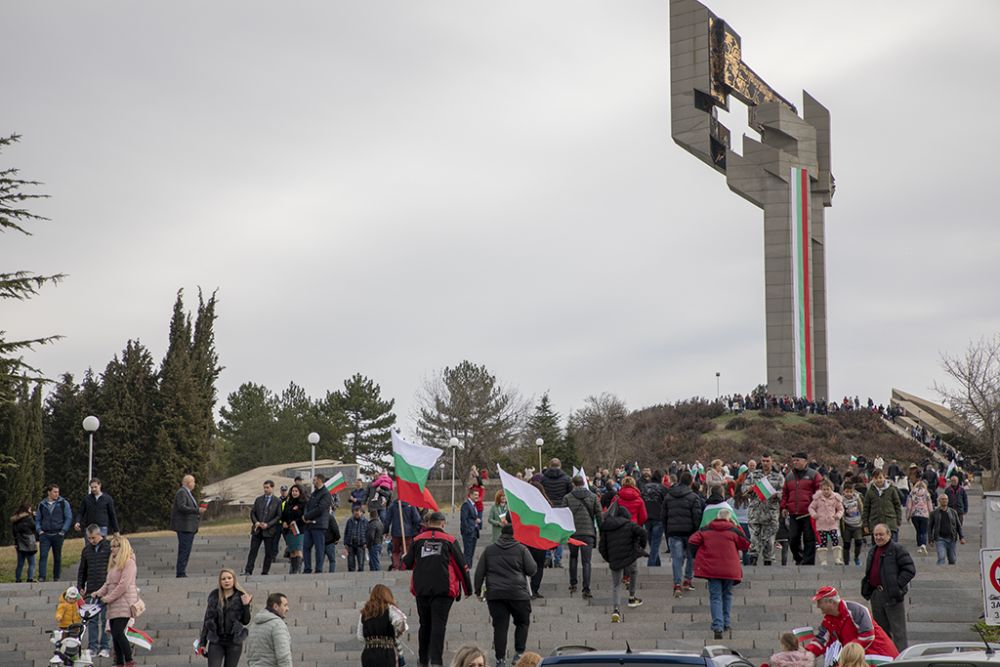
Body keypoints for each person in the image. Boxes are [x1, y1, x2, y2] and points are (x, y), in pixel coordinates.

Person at [403, 511, 473, 667]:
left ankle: (423, 660)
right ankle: (436, 661)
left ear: (429, 523)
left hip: (422, 589)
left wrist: (404, 557)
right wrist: (468, 589)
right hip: (444, 589)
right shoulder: (450, 540)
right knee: (439, 625)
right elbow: (462, 567)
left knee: (425, 624)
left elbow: (406, 563)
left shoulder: (417, 540)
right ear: (443, 523)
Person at [474, 523, 536, 667]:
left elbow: (479, 572)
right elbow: (532, 569)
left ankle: (500, 659)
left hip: (496, 595)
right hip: (518, 594)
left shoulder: (489, 550)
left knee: (500, 627)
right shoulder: (522, 549)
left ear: (502, 533)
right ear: (516, 534)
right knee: (522, 622)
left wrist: (478, 591)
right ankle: (519, 653)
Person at [688, 508, 750, 639]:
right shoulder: (733, 530)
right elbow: (745, 544)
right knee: (727, 595)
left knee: (715, 597)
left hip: (712, 569)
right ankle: (726, 623)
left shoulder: (706, 529)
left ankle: (717, 626)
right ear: (728, 517)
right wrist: (738, 527)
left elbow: (692, 540)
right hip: (730, 569)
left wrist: (699, 552)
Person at [861, 523, 915, 650]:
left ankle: (900, 659)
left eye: (881, 534)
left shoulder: (897, 549)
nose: (878, 537)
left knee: (898, 632)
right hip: (876, 595)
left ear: (889, 535)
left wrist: (896, 586)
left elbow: (909, 570)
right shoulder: (872, 550)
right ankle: (886, 657)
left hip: (892, 596)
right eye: (876, 535)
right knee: (881, 632)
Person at [805, 586, 898, 659]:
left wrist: (847, 652)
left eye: (819, 602)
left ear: (830, 602)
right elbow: (821, 641)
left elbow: (868, 635)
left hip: (879, 655)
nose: (817, 606)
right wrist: (806, 653)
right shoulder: (828, 620)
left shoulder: (856, 610)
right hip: (858, 657)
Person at [92, 535, 139, 667]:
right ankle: (119, 662)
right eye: (111, 546)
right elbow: (108, 584)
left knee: (118, 632)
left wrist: (108, 598)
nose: (111, 549)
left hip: (124, 603)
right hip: (114, 606)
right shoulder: (114, 563)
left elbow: (123, 585)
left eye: (115, 546)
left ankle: (129, 660)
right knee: (115, 634)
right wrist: (98, 593)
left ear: (122, 547)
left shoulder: (129, 563)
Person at [598, 503, 647, 623]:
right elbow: (643, 533)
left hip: (615, 557)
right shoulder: (630, 525)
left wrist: (608, 557)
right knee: (634, 571)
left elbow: (601, 547)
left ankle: (616, 610)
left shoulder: (607, 527)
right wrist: (640, 547)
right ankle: (631, 597)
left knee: (616, 584)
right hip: (630, 555)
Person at [198, 568, 253, 667]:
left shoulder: (242, 596)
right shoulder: (214, 597)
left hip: (234, 641)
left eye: (229, 578)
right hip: (216, 641)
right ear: (220, 581)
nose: (226, 581)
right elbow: (207, 622)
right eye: (223, 579)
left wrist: (246, 606)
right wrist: (202, 644)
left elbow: (246, 621)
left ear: (234, 579)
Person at [663, 471, 703, 596]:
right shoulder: (693, 497)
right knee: (691, 557)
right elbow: (697, 517)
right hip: (690, 532)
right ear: (691, 482)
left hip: (674, 531)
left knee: (676, 558)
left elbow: (664, 516)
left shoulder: (669, 496)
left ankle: (677, 584)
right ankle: (687, 580)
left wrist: (667, 531)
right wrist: (697, 531)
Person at [742, 453, 784, 566]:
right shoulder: (753, 475)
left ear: (772, 461)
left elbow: (784, 492)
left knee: (769, 543)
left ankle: (767, 567)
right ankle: (753, 565)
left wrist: (777, 495)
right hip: (755, 512)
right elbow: (743, 490)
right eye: (763, 461)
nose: (765, 463)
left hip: (770, 513)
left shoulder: (778, 476)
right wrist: (749, 489)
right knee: (754, 541)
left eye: (767, 461)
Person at [77, 524, 112, 660]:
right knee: (91, 620)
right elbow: (82, 570)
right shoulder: (86, 551)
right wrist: (80, 585)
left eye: (93, 538)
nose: (91, 540)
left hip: (106, 589)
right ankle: (92, 647)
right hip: (91, 589)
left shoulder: (108, 547)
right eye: (89, 538)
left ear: (99, 535)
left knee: (104, 619)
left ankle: (104, 646)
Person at [781, 453, 822, 565]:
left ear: (805, 461)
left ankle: (808, 563)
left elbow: (820, 492)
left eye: (797, 460)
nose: (795, 463)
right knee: (793, 539)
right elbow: (785, 493)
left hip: (809, 513)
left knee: (809, 539)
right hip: (794, 513)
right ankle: (799, 559)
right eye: (794, 461)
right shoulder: (789, 476)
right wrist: (784, 507)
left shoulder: (814, 475)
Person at [564, 475, 599, 598]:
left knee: (573, 558)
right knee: (587, 562)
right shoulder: (593, 497)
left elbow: (563, 515)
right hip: (588, 533)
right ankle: (586, 588)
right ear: (584, 483)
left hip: (573, 533)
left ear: (573, 484)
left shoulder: (567, 498)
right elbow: (599, 515)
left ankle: (573, 583)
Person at [358, 584, 408, 667]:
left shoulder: (364, 612)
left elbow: (360, 637)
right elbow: (401, 620)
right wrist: (398, 633)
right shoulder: (390, 609)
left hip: (368, 653)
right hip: (386, 653)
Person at [171, 474, 206, 578]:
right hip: (184, 527)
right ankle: (181, 572)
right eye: (193, 482)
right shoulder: (182, 492)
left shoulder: (187, 493)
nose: (194, 484)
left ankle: (182, 571)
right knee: (184, 549)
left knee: (186, 550)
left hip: (189, 527)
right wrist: (197, 510)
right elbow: (181, 507)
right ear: (188, 483)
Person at [244, 480, 282, 576]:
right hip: (257, 530)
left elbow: (278, 516)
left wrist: (268, 524)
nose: (265, 489)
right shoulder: (259, 500)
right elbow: (253, 512)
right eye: (264, 487)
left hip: (269, 531)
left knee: (268, 552)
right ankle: (248, 570)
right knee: (253, 551)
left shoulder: (277, 501)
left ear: (272, 488)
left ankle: (265, 571)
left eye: (267, 487)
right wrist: (256, 522)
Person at [540, 458, 573, 567]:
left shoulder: (543, 479)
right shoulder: (566, 478)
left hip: (548, 508)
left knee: (548, 533)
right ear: (560, 465)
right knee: (560, 534)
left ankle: (547, 556)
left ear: (550, 465)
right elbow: (570, 493)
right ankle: (558, 559)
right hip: (561, 508)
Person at [36, 483, 73, 582]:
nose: (57, 494)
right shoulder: (42, 504)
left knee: (57, 556)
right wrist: (39, 530)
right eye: (54, 492)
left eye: (58, 492)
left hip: (58, 533)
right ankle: (42, 576)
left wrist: (63, 531)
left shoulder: (63, 503)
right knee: (43, 555)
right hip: (45, 534)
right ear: (49, 492)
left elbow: (68, 517)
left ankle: (56, 576)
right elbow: (38, 519)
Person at [244, 592, 292, 667]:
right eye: (285, 605)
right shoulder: (278, 625)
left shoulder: (254, 624)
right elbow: (283, 656)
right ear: (275, 606)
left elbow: (250, 655)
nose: (287, 609)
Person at [301, 474, 332, 574]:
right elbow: (308, 505)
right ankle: (307, 568)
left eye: (314, 480)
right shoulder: (314, 493)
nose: (313, 482)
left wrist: (307, 516)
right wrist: (305, 516)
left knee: (319, 548)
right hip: (309, 525)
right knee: (306, 547)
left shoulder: (326, 494)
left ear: (319, 480)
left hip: (319, 525)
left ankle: (318, 568)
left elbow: (320, 509)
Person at [809, 480, 844, 565]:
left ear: (831, 489)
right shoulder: (817, 498)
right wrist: (814, 515)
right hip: (821, 524)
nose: (826, 491)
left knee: (835, 540)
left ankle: (837, 559)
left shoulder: (835, 498)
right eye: (824, 489)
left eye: (827, 489)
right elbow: (811, 507)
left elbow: (841, 509)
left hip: (832, 523)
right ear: (821, 489)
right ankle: (823, 560)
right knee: (823, 542)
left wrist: (838, 516)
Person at [862, 471, 902, 543]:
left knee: (892, 547)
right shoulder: (870, 491)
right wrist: (865, 525)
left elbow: (897, 505)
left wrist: (898, 520)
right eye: (876, 478)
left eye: (880, 477)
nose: (878, 480)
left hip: (890, 523)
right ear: (873, 479)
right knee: (877, 549)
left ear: (884, 477)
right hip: (875, 523)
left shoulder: (891, 489)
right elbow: (866, 509)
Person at [929, 493, 966, 565]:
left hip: (951, 538)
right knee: (941, 557)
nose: (944, 501)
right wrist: (930, 539)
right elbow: (930, 527)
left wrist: (961, 537)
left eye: (946, 499)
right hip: (940, 538)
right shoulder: (934, 513)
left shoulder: (953, 512)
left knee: (952, 559)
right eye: (942, 499)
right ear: (939, 501)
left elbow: (958, 525)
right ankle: (940, 573)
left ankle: (951, 573)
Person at [386, 498, 422, 570]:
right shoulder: (411, 505)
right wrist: (414, 530)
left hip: (395, 532)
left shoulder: (392, 505)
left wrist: (385, 531)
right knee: (407, 550)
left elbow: (387, 520)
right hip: (408, 533)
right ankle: (404, 566)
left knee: (395, 551)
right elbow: (417, 519)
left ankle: (396, 566)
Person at [641, 470, 667, 566]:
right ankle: (651, 563)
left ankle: (657, 562)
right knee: (655, 542)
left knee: (652, 542)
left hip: (647, 517)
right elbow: (666, 502)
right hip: (658, 517)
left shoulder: (644, 488)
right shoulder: (662, 488)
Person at [280, 484, 306, 574]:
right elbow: (283, 515)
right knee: (292, 551)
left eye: (296, 491)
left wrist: (296, 521)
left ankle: (297, 570)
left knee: (298, 550)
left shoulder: (303, 503)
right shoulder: (288, 503)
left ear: (300, 492)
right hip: (289, 531)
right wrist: (284, 522)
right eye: (293, 491)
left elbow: (304, 516)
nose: (294, 493)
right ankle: (292, 569)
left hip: (299, 530)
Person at [11, 502, 38, 583]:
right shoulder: (29, 518)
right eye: (30, 508)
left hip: (19, 542)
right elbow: (35, 527)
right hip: (29, 542)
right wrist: (34, 517)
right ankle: (30, 578)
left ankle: (18, 579)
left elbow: (14, 531)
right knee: (32, 562)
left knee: (20, 563)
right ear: (27, 509)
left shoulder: (15, 520)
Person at [905, 479, 932, 555]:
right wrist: (932, 514)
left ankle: (919, 544)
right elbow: (929, 505)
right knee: (924, 531)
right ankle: (923, 544)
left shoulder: (912, 493)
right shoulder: (927, 493)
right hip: (924, 514)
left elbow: (909, 506)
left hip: (914, 514)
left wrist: (908, 516)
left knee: (918, 530)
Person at [840, 485, 865, 567]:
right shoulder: (841, 501)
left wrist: (863, 521)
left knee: (858, 541)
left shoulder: (857, 499)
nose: (849, 494)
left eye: (851, 492)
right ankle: (846, 561)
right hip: (847, 525)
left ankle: (856, 557)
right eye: (847, 492)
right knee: (846, 544)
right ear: (843, 492)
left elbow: (861, 509)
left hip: (857, 524)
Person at [344, 505, 370, 572]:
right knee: (350, 563)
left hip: (361, 544)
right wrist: (345, 543)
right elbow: (346, 532)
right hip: (350, 544)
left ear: (361, 513)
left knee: (361, 563)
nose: (356, 515)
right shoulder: (349, 521)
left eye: (358, 514)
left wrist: (366, 543)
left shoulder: (365, 521)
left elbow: (368, 533)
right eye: (355, 514)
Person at [461, 488, 482, 565]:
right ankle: (466, 568)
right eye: (475, 495)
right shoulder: (466, 505)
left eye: (478, 495)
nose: (477, 496)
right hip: (469, 532)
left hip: (474, 532)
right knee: (468, 552)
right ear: (470, 495)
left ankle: (469, 566)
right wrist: (468, 530)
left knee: (471, 552)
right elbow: (464, 520)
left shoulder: (473, 505)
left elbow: (471, 517)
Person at [321, 506, 341, 573]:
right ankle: (331, 573)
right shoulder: (330, 518)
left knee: (320, 561)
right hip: (330, 542)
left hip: (320, 542)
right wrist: (337, 538)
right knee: (332, 560)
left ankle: (319, 572)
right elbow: (335, 529)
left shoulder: (318, 518)